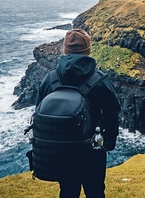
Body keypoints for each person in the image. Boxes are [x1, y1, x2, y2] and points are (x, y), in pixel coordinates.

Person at [36, 28, 120, 198]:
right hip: (92, 150)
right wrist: (109, 142)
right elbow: (113, 114)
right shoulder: (100, 80)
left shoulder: (51, 78)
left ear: (65, 50)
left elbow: (39, 110)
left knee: (67, 191)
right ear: (88, 50)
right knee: (95, 191)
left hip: (62, 150)